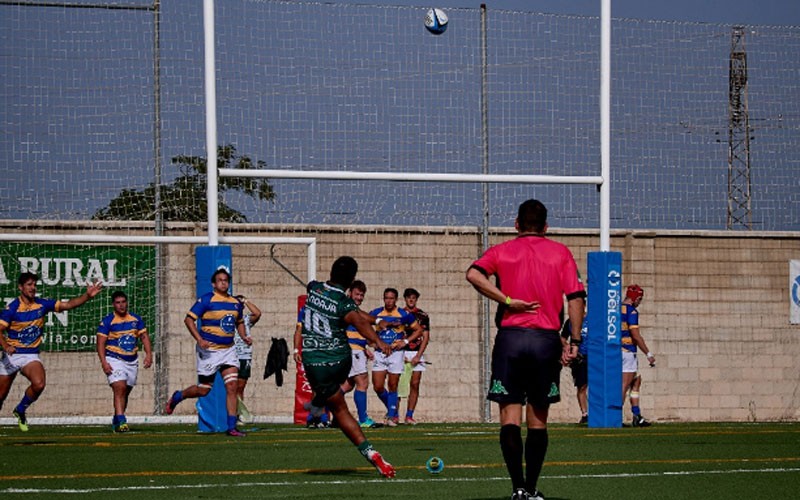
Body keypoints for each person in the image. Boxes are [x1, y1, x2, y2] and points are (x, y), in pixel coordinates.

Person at [466, 199, 586, 500]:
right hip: (545, 341)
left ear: (516, 224)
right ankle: (532, 488)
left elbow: (473, 274)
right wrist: (574, 341)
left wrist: (507, 301)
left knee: (509, 416)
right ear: (546, 227)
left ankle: (517, 488)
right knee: (538, 419)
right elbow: (575, 298)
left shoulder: (502, 250)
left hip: (511, 339)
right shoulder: (560, 253)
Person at [296, 255, 396, 477]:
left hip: (314, 362)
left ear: (331, 272)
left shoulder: (313, 289)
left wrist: (376, 322)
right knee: (343, 395)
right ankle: (320, 406)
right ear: (351, 281)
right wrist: (378, 340)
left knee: (338, 407)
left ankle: (318, 406)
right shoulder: (344, 302)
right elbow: (358, 319)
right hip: (340, 360)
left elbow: (358, 315)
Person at [0, 272, 104, 432]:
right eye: (29, 285)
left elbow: (68, 305)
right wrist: (6, 346)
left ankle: (20, 409)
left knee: (39, 384)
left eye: (34, 284)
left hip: (30, 355)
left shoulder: (42, 304)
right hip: (11, 355)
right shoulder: (12, 308)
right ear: (20, 287)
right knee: (1, 395)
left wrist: (87, 296)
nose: (33, 288)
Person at [164, 268, 251, 437]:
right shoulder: (206, 299)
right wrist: (199, 339)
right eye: (220, 280)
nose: (223, 283)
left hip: (228, 350)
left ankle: (231, 427)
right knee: (204, 390)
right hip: (209, 351)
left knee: (232, 387)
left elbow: (239, 321)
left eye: (226, 280)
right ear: (214, 283)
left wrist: (244, 336)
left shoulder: (235, 303)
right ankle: (178, 396)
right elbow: (189, 319)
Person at [96, 290, 153, 433]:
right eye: (118, 303)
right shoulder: (108, 321)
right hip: (114, 358)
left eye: (123, 302)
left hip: (131, 361)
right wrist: (104, 362)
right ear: (113, 305)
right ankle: (122, 421)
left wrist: (148, 354)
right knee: (119, 387)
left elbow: (144, 337)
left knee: (125, 392)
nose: (121, 305)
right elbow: (100, 343)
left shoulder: (135, 319)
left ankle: (117, 418)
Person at [369, 287, 424, 427]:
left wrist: (405, 342)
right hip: (380, 353)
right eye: (386, 298)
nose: (389, 301)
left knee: (393, 385)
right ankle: (392, 410)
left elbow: (418, 330)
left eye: (391, 298)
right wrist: (372, 342)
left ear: (396, 299)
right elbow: (364, 327)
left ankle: (393, 415)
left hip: (396, 354)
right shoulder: (375, 313)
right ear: (383, 299)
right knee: (378, 386)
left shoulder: (403, 314)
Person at [340, 280, 377, 428]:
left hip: (354, 349)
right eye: (357, 294)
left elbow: (354, 331)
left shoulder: (350, 309)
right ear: (350, 293)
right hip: (353, 351)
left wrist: (365, 348)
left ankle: (324, 413)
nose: (360, 297)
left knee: (347, 385)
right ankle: (363, 419)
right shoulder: (350, 309)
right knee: (362, 382)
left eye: (362, 295)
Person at [621, 284, 655, 428]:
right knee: (624, 384)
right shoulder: (632, 312)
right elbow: (635, 335)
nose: (639, 302)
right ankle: (615, 416)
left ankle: (637, 416)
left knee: (636, 381)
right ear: (636, 298)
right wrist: (648, 353)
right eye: (639, 299)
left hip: (616, 351)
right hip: (627, 351)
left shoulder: (614, 309)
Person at [399, 287, 430, 425]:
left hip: (416, 352)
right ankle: (393, 415)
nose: (411, 300)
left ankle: (409, 415)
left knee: (415, 384)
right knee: (398, 385)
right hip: (401, 352)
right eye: (408, 297)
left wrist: (418, 355)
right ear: (405, 299)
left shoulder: (423, 316)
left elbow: (425, 337)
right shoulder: (399, 314)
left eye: (414, 297)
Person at [233, 294, 261, 422]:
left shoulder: (246, 320)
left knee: (240, 387)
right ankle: (231, 415)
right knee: (231, 386)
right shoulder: (228, 319)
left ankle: (238, 414)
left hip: (244, 356)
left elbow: (257, 313)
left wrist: (246, 300)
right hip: (231, 356)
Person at [560, 315, 588, 425]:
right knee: (582, 386)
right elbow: (563, 338)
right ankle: (585, 414)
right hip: (579, 358)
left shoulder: (593, 319)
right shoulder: (571, 321)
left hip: (594, 356)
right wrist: (567, 347)